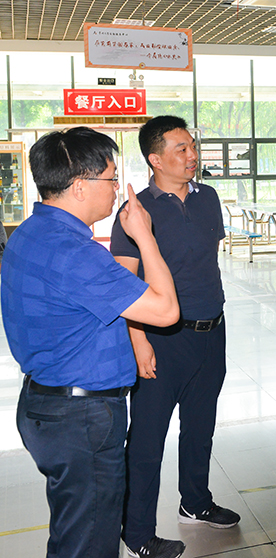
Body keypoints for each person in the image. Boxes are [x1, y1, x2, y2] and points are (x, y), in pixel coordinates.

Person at [1, 127, 179, 558]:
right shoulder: (75, 254)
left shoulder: (29, 232)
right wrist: (144, 235)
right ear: (80, 186)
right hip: (80, 419)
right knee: (91, 542)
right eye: (111, 178)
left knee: (74, 532)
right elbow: (165, 310)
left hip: (47, 404)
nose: (117, 188)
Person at [111, 116, 239, 558]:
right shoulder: (135, 213)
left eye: (192, 147)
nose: (192, 156)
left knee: (200, 427)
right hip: (161, 340)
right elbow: (125, 286)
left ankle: (196, 502)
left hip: (211, 332)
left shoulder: (208, 198)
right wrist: (138, 341)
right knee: (147, 441)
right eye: (181, 149)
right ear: (155, 158)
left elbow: (206, 263)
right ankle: (138, 532)